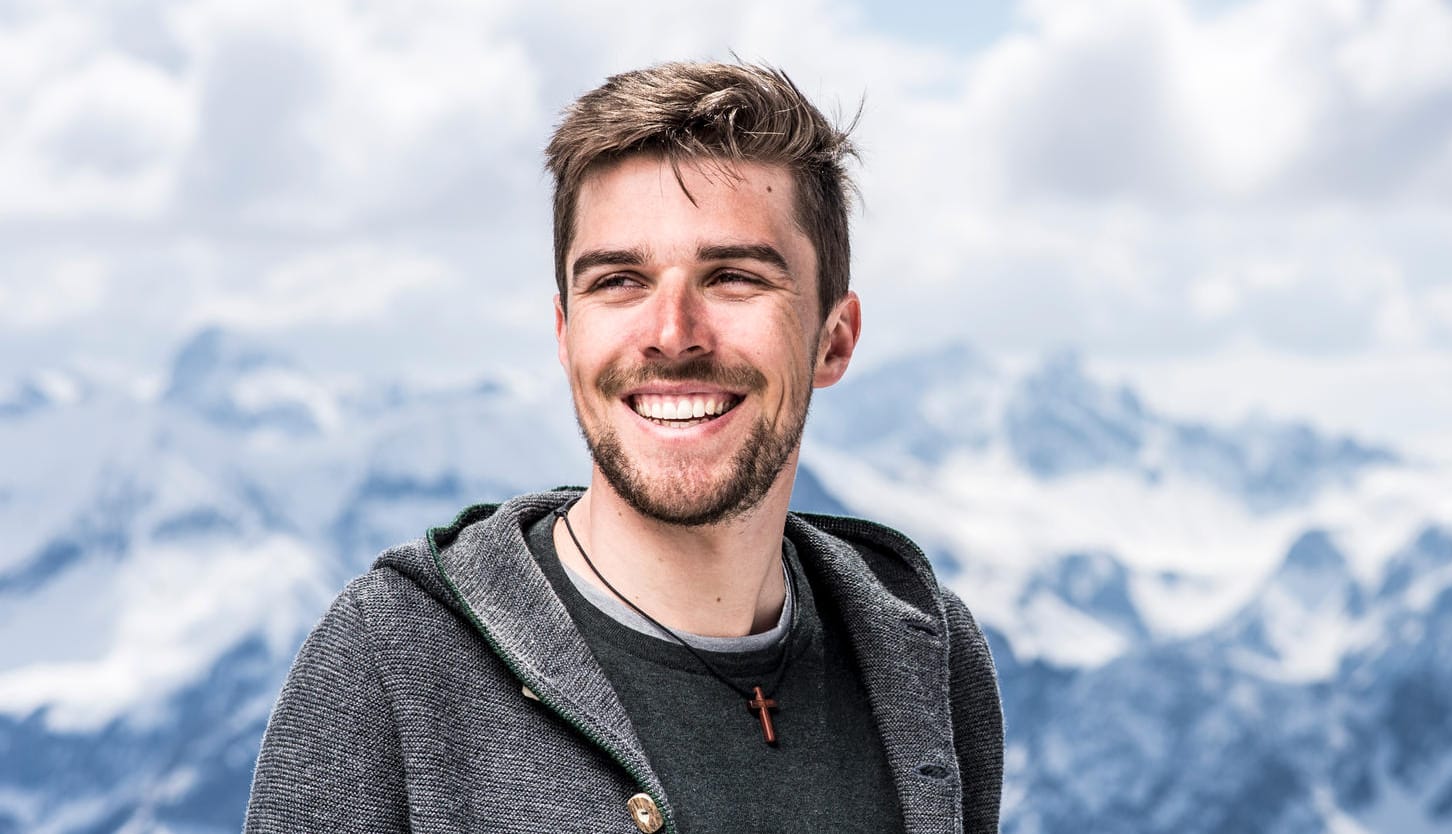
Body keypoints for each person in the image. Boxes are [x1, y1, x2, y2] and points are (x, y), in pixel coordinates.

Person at [245, 61, 1003, 833]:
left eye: (734, 277)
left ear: (833, 341)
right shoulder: (392, 663)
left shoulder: (924, 658)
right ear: (566, 334)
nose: (672, 335)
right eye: (618, 281)